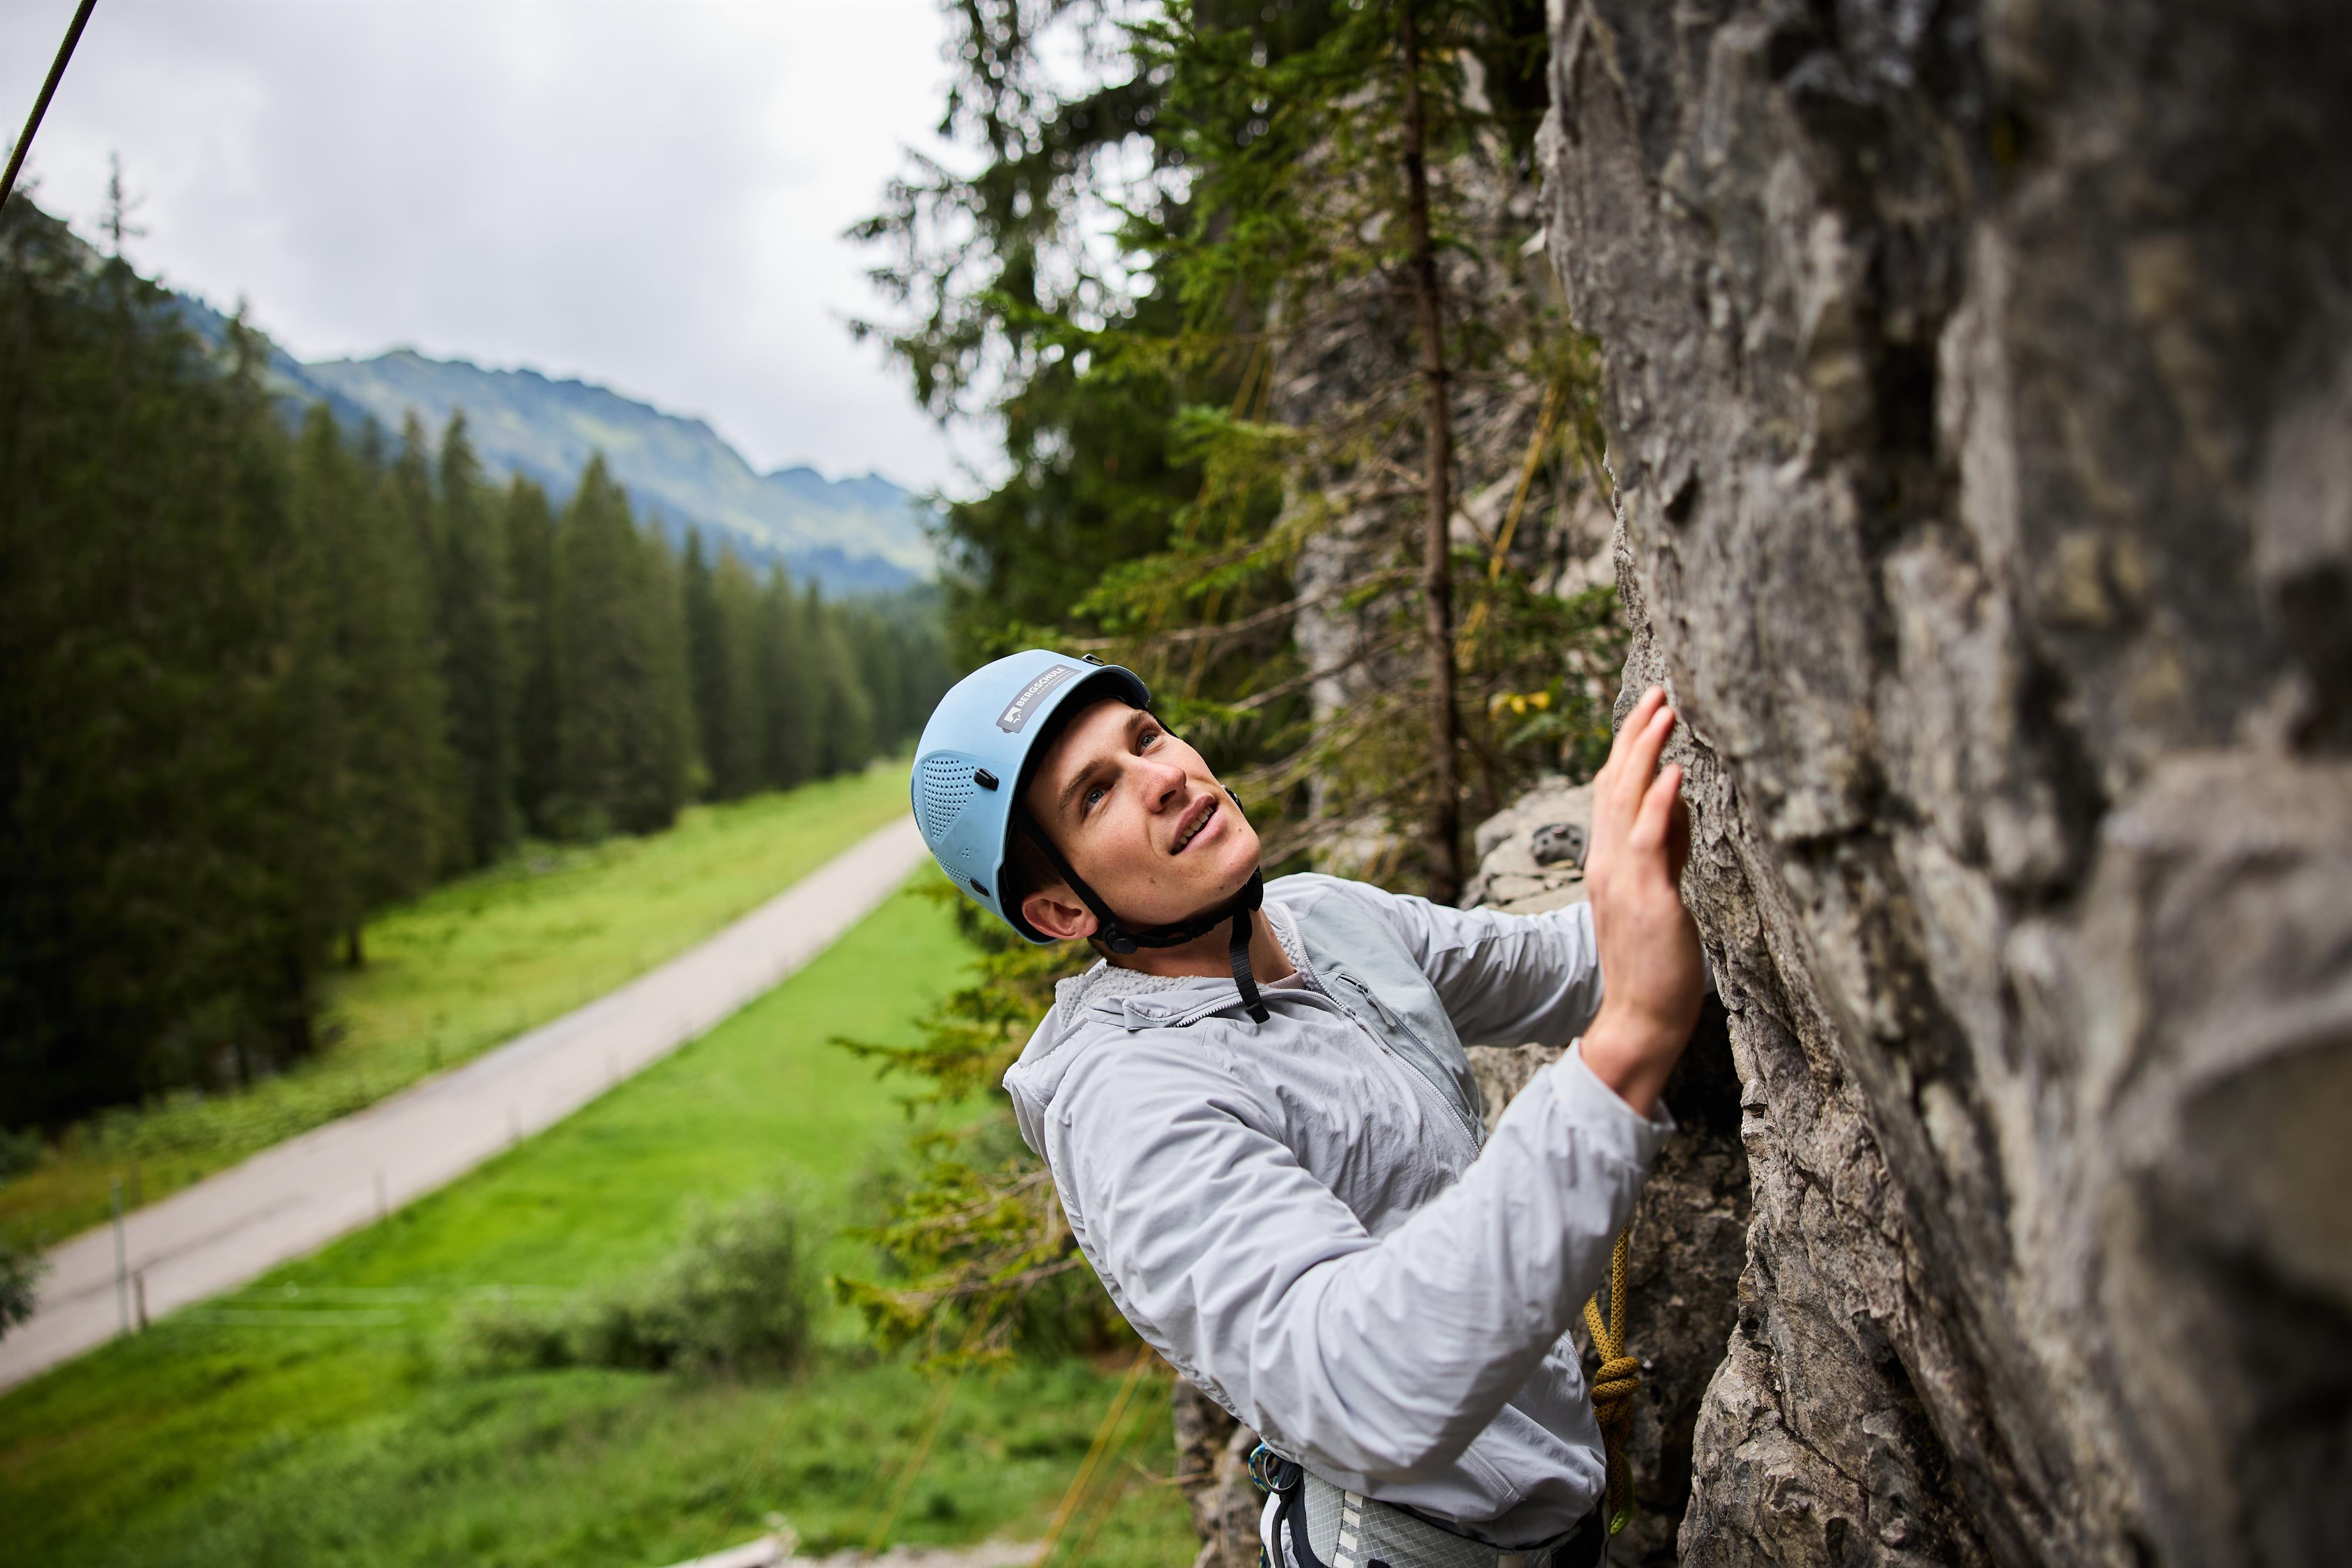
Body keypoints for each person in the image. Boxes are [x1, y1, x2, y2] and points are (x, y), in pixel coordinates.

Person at [909, 650, 1706, 1568]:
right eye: (1097, 795)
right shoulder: (1133, 1106)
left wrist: (1693, 874)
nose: (1165, 778)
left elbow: (1565, 965)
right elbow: (1362, 1383)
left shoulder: (1322, 920)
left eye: (1148, 737)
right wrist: (1628, 1045)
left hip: (1547, 1511)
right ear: (1058, 911)